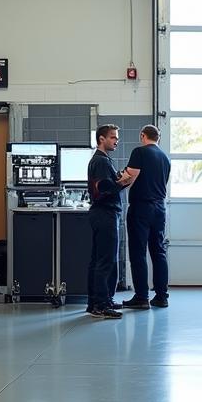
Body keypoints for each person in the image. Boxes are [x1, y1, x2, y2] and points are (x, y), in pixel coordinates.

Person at [121, 124, 171, 309]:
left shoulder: (139, 152)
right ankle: (161, 296)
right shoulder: (165, 157)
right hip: (160, 208)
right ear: (158, 138)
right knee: (158, 251)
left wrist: (112, 183)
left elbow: (129, 178)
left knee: (138, 252)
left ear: (143, 135)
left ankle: (141, 297)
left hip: (141, 208)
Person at [86, 123, 132, 319]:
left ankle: (96, 301)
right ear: (101, 139)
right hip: (106, 214)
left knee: (98, 260)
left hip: (101, 214)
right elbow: (103, 190)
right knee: (106, 260)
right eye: (113, 137)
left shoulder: (100, 160)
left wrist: (117, 182)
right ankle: (101, 304)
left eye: (116, 137)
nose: (116, 140)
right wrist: (123, 182)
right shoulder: (102, 162)